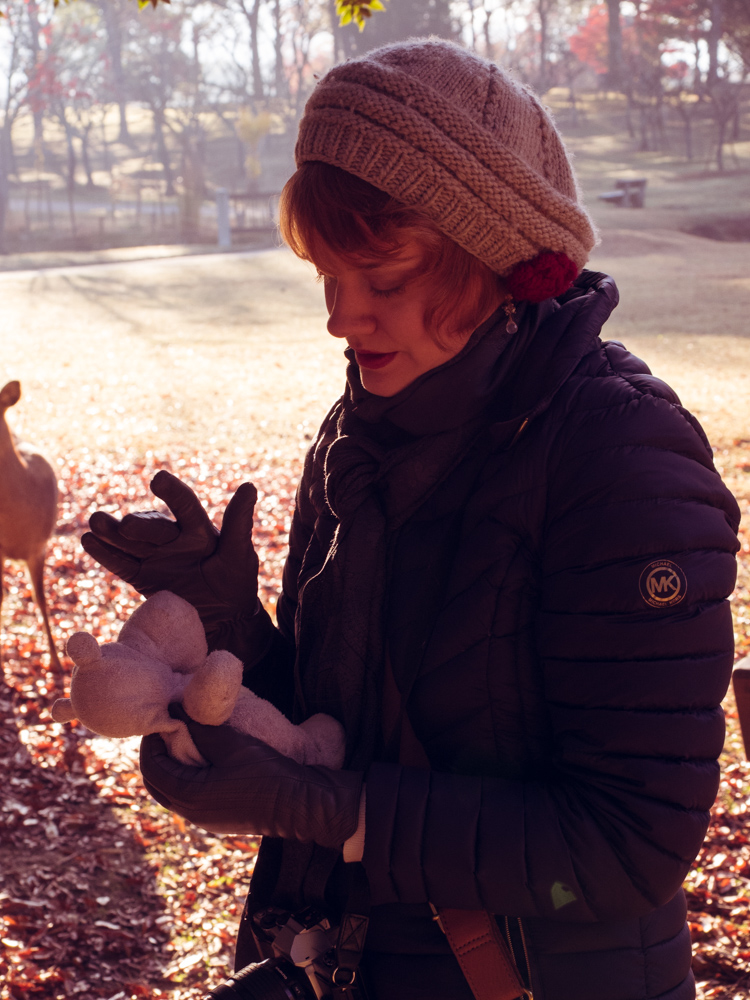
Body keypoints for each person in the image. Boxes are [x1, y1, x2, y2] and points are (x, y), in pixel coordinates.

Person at [82, 40, 741, 1000]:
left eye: (382, 280)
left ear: (498, 262)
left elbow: (629, 842)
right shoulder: (359, 432)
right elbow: (344, 728)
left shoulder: (622, 457)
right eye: (327, 277)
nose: (341, 318)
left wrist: (336, 812)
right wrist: (229, 631)